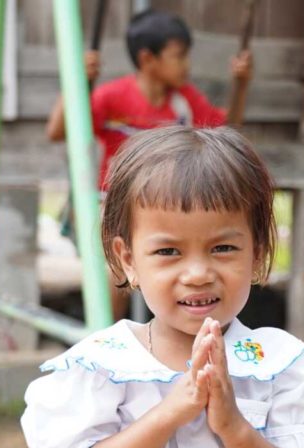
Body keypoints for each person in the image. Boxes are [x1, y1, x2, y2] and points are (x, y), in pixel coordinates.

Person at [21, 125, 304, 448]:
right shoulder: (102, 364)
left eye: (223, 247)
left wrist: (231, 424)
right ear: (128, 259)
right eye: (168, 251)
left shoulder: (279, 363)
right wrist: (175, 408)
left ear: (259, 250)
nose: (197, 273)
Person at [46, 9, 253, 319]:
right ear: (148, 59)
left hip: (165, 205)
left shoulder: (183, 101)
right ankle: (110, 336)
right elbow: (58, 131)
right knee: (116, 275)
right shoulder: (113, 97)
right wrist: (76, 80)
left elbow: (227, 132)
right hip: (114, 202)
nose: (186, 65)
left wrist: (240, 85)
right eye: (178, 56)